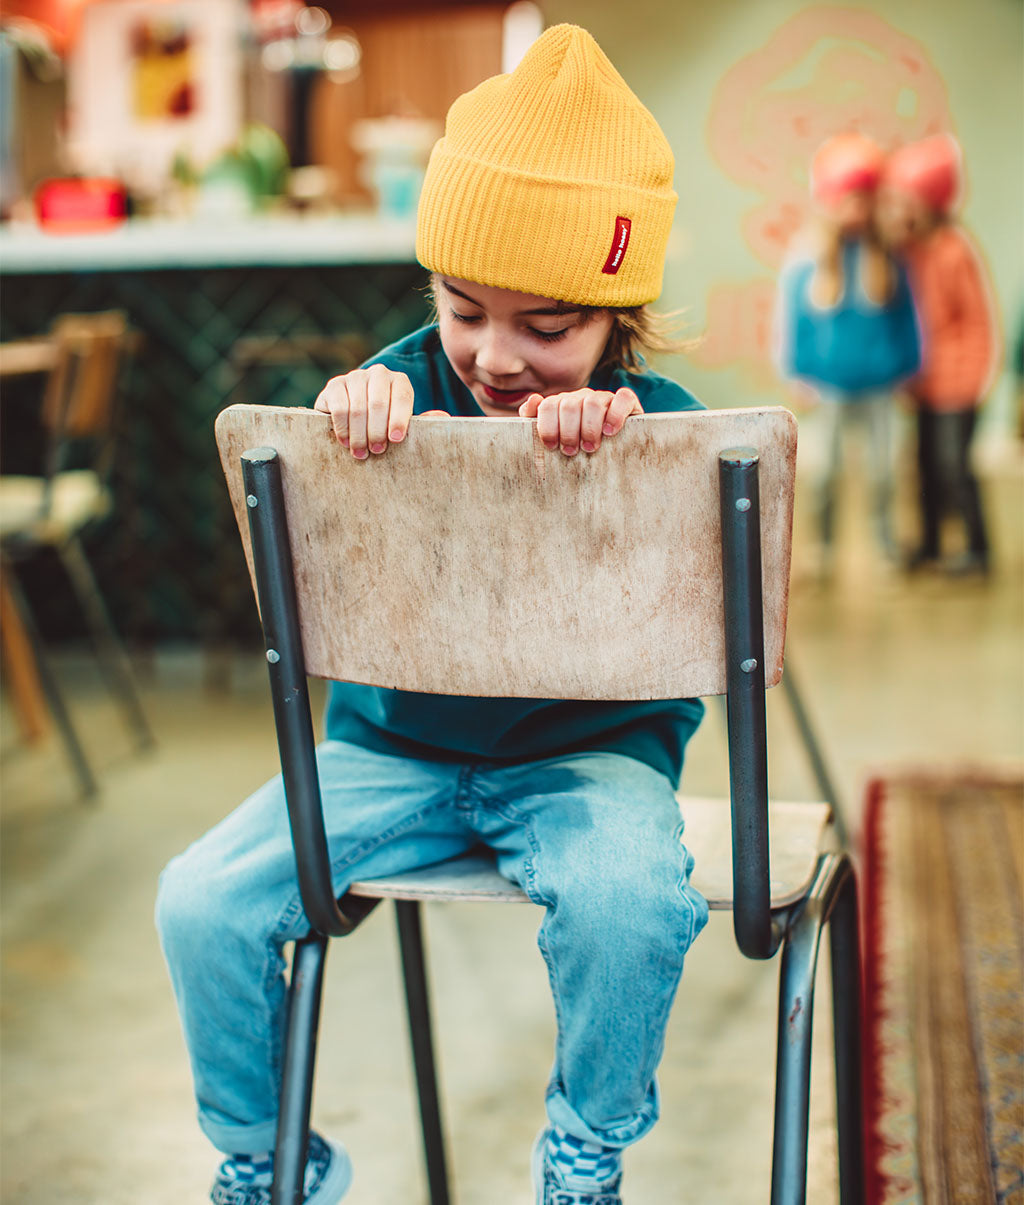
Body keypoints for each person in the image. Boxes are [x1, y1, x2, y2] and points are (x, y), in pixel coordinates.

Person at [156, 25, 709, 1205]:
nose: (494, 356)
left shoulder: (659, 422)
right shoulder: (394, 391)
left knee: (632, 902)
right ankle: (267, 1149)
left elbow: (704, 591)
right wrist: (348, 426)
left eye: (547, 328)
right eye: (463, 309)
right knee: (200, 897)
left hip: (590, 759)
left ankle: (585, 1143)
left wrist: (620, 459)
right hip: (384, 752)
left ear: (619, 318)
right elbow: (321, 525)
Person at [775, 131, 921, 571]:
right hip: (829, 384)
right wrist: (797, 373)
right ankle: (821, 553)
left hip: (880, 384)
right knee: (824, 474)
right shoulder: (809, 258)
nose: (855, 210)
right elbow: (794, 321)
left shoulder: (889, 257)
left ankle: (885, 547)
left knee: (884, 472)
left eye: (864, 200)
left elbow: (907, 320)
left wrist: (908, 370)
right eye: (847, 199)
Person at [877, 134, 998, 575]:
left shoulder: (953, 248)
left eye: (906, 199)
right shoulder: (910, 249)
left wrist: (976, 378)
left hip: (959, 382)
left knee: (954, 468)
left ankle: (978, 550)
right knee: (924, 467)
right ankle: (930, 545)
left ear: (929, 200)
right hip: (925, 381)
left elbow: (976, 318)